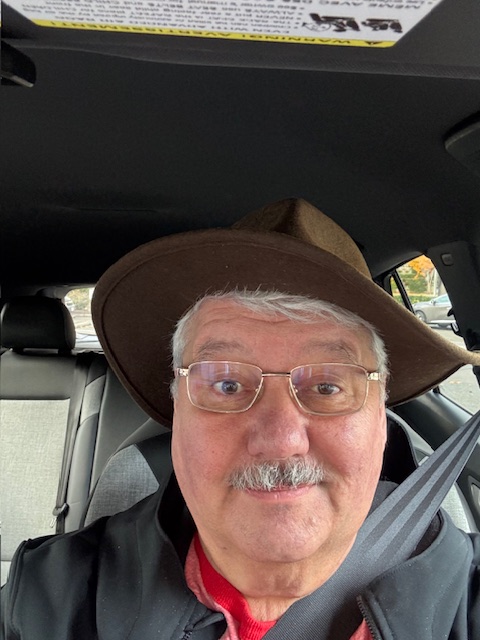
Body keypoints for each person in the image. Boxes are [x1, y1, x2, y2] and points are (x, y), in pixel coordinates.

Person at [2, 198, 480, 639]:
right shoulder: (48, 601)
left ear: (381, 416)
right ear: (177, 408)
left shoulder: (467, 598)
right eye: (227, 385)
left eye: (327, 386)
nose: (280, 439)